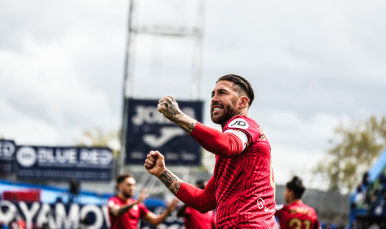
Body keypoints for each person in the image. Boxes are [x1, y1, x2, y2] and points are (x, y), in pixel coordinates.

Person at [144, 74, 276, 228]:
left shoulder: (245, 124)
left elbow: (227, 144)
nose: (214, 98)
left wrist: (178, 116)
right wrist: (162, 172)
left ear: (242, 102)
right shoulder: (234, 156)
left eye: (222, 92)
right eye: (213, 94)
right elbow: (204, 201)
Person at [107, 173, 179, 229]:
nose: (132, 188)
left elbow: (155, 221)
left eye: (133, 185)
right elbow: (117, 212)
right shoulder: (113, 201)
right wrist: (135, 203)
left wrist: (168, 211)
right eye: (129, 185)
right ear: (120, 186)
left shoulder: (138, 205)